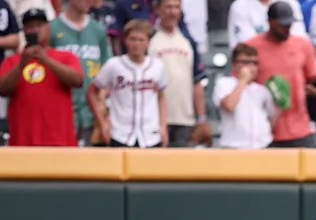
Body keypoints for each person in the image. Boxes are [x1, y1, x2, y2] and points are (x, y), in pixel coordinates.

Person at [0, 8, 83, 146]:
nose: (35, 30)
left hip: (59, 141)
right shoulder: (12, 61)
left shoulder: (65, 56)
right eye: (30, 27)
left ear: (48, 29)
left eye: (39, 26)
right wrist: (21, 64)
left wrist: (45, 59)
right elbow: (2, 89)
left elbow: (77, 80)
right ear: (23, 32)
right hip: (23, 141)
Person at [247, 1, 316, 147]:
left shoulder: (303, 45)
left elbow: (314, 81)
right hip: (264, 129)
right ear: (270, 22)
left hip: (299, 128)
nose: (286, 29)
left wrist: (314, 90)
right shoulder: (252, 47)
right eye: (282, 25)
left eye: (289, 25)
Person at [88, 18, 169, 147]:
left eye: (141, 40)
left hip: (150, 135)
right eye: (133, 39)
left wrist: (163, 126)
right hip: (120, 134)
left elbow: (161, 96)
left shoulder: (157, 66)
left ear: (148, 42)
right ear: (126, 40)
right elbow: (92, 92)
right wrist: (103, 121)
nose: (136, 44)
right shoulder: (114, 65)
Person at [49, 0, 112, 146]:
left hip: (91, 111)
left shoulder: (98, 29)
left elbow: (108, 69)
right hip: (63, 108)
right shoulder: (52, 28)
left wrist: (100, 98)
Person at [148, 0, 209, 146]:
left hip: (184, 118)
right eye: (168, 7)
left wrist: (201, 118)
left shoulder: (188, 41)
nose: (173, 12)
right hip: (154, 118)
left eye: (176, 7)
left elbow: (197, 81)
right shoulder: (149, 39)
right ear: (157, 9)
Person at [212, 42, 279, 148]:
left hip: (261, 146)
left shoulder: (262, 90)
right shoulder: (225, 83)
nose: (251, 67)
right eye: (246, 62)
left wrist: (281, 104)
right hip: (234, 146)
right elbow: (229, 106)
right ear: (234, 64)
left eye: (255, 63)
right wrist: (242, 81)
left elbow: (271, 119)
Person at [228, 0, 308, 51]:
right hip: (255, 65)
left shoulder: (290, 2)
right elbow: (246, 46)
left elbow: (300, 38)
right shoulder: (240, 6)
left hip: (289, 57)